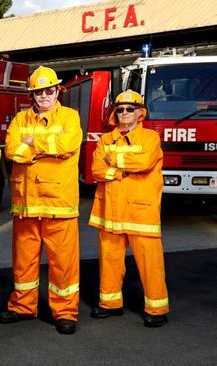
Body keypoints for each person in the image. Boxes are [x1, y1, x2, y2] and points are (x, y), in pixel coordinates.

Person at [0, 66, 83, 335]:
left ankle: (65, 312)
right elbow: (12, 151)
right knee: (24, 261)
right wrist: (46, 146)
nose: (44, 95)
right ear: (31, 94)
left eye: (49, 90)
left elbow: (67, 145)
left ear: (58, 90)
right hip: (26, 204)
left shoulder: (70, 117)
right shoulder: (20, 120)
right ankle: (23, 306)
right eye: (38, 92)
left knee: (63, 263)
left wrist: (32, 144)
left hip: (59, 203)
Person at [89, 89, 169, 327]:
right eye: (120, 109)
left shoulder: (150, 138)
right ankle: (110, 304)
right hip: (110, 212)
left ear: (139, 113)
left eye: (130, 109)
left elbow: (144, 163)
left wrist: (112, 162)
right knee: (109, 260)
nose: (124, 113)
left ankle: (157, 309)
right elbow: (95, 170)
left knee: (150, 262)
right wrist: (123, 170)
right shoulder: (105, 139)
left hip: (140, 212)